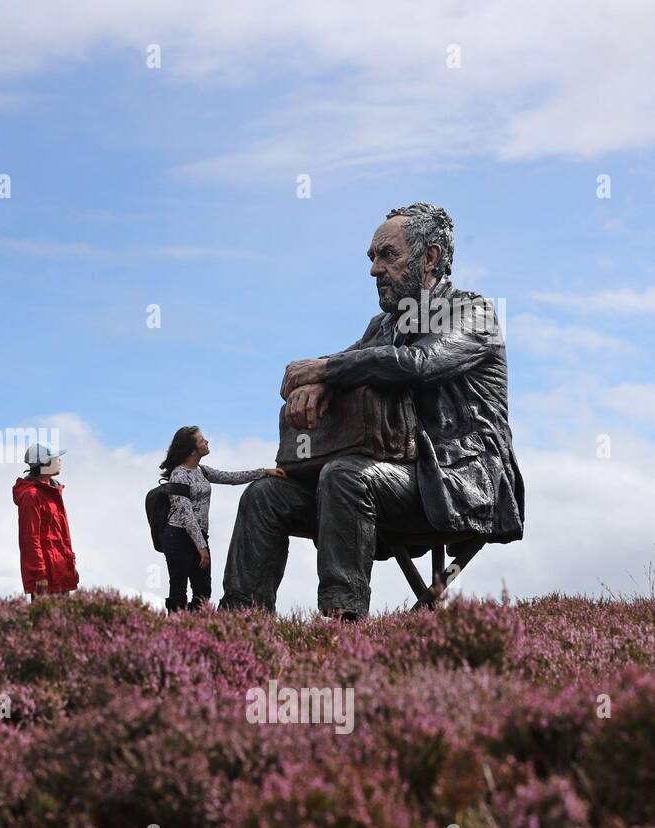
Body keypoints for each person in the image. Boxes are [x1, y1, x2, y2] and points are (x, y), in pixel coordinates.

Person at [220, 202, 526, 620]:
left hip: (457, 481)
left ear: (429, 257)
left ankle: (341, 623)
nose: (374, 270)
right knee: (264, 496)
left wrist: (326, 370)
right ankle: (239, 625)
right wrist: (316, 381)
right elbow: (336, 367)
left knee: (345, 475)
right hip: (389, 479)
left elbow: (420, 363)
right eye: (372, 258)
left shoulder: (473, 313)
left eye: (388, 255)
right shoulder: (382, 328)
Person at [159, 426, 284, 612]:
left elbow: (230, 477)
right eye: (202, 440)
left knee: (203, 591)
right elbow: (186, 515)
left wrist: (265, 472)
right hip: (178, 536)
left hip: (199, 536)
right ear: (192, 450)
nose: (206, 442)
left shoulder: (202, 471)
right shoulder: (178, 475)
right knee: (179, 589)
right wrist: (201, 547)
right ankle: (176, 631)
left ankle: (195, 629)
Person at [13, 443, 78, 600]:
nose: (60, 461)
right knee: (46, 623)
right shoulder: (31, 495)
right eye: (55, 458)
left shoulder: (53, 492)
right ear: (44, 463)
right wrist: (39, 574)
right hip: (46, 578)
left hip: (61, 572)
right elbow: (30, 539)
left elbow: (62, 537)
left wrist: (71, 565)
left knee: (66, 624)